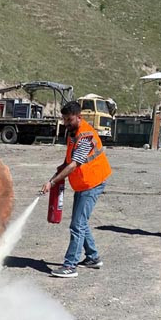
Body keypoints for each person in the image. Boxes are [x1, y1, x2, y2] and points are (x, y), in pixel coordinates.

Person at [41, 101, 112, 278]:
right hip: (83, 183)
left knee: (77, 225)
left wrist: (53, 182)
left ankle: (70, 265)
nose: (66, 123)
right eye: (64, 119)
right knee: (80, 222)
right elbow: (68, 161)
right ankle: (93, 257)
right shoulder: (73, 132)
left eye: (69, 119)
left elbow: (74, 164)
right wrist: (56, 174)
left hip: (92, 182)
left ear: (79, 117)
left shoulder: (85, 136)